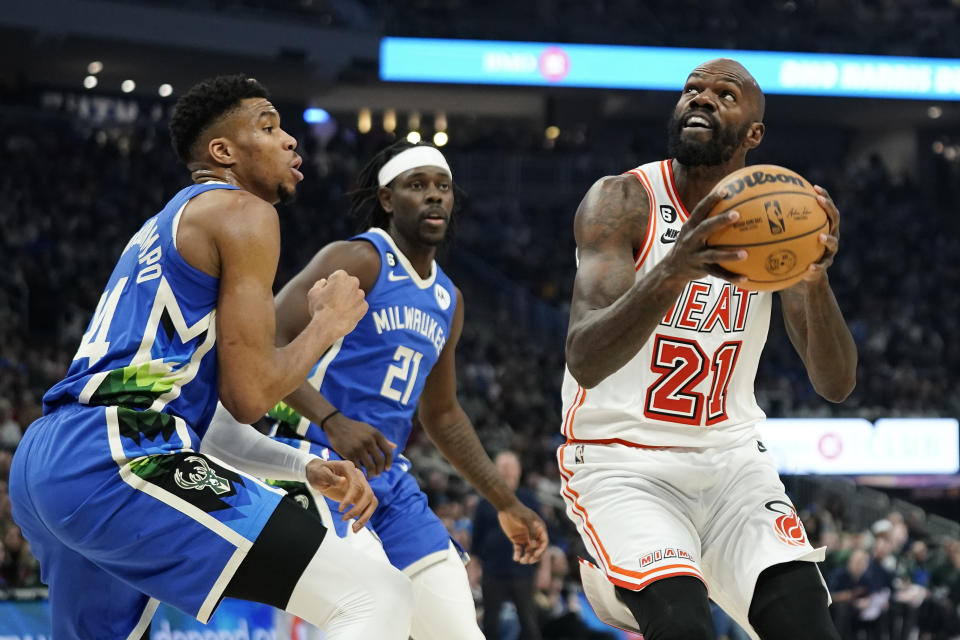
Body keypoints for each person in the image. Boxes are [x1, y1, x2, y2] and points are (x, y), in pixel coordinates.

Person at [8, 74, 413, 639]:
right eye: (268, 127)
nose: (291, 139)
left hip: (50, 457)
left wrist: (302, 466)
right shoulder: (243, 212)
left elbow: (202, 425)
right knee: (373, 595)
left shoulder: (164, 225)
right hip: (116, 455)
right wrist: (328, 323)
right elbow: (249, 396)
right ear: (222, 153)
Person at [558, 58, 857, 640]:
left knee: (807, 626)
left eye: (725, 94)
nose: (701, 99)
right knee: (682, 623)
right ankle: (622, 584)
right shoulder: (623, 201)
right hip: (624, 462)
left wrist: (814, 281)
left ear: (754, 133)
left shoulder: (776, 221)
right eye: (692, 90)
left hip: (733, 465)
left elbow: (836, 384)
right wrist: (676, 265)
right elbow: (585, 357)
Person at [212, 139, 549, 639]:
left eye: (443, 187)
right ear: (388, 199)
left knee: (460, 631)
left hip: (391, 482)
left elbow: (444, 416)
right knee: (375, 614)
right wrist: (332, 419)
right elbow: (260, 343)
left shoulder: (448, 299)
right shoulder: (360, 259)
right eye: (418, 186)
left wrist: (505, 501)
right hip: (318, 466)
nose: (434, 197)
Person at [473, 450, 543, 640]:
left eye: (511, 467)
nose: (507, 472)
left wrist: (540, 567)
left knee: (529, 623)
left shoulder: (529, 499)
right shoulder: (485, 501)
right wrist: (475, 568)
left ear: (519, 471)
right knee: (491, 623)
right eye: (503, 467)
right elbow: (476, 540)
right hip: (492, 571)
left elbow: (540, 536)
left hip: (522, 570)